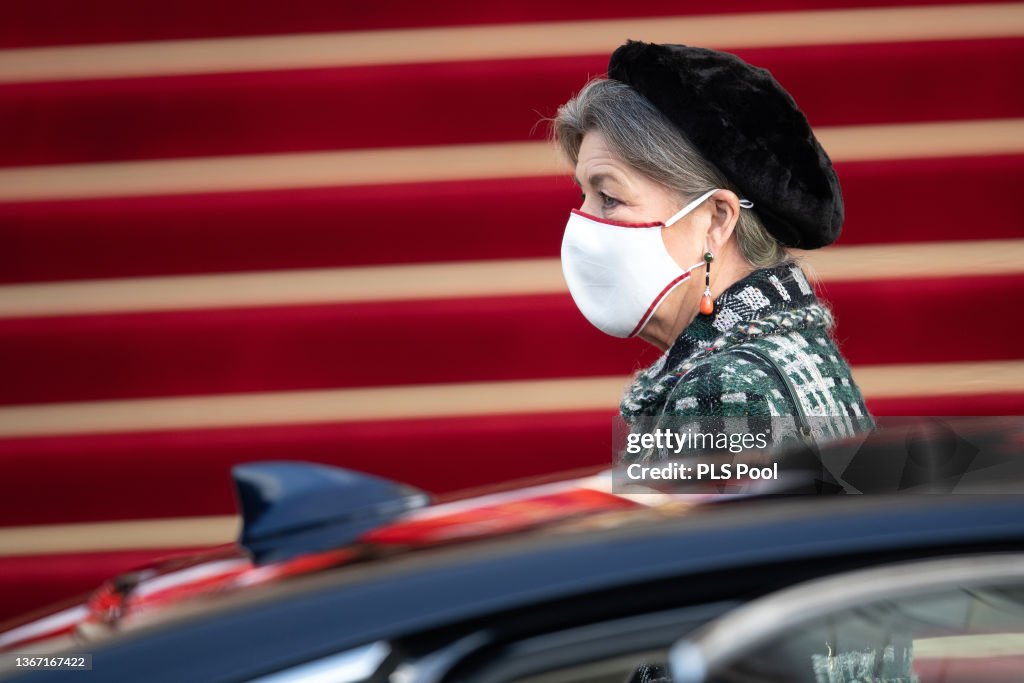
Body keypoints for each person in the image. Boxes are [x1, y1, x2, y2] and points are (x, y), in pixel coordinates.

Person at [549, 41, 874, 462]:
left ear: (717, 219)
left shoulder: (722, 392)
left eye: (609, 197)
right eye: (584, 194)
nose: (583, 222)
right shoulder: (786, 350)